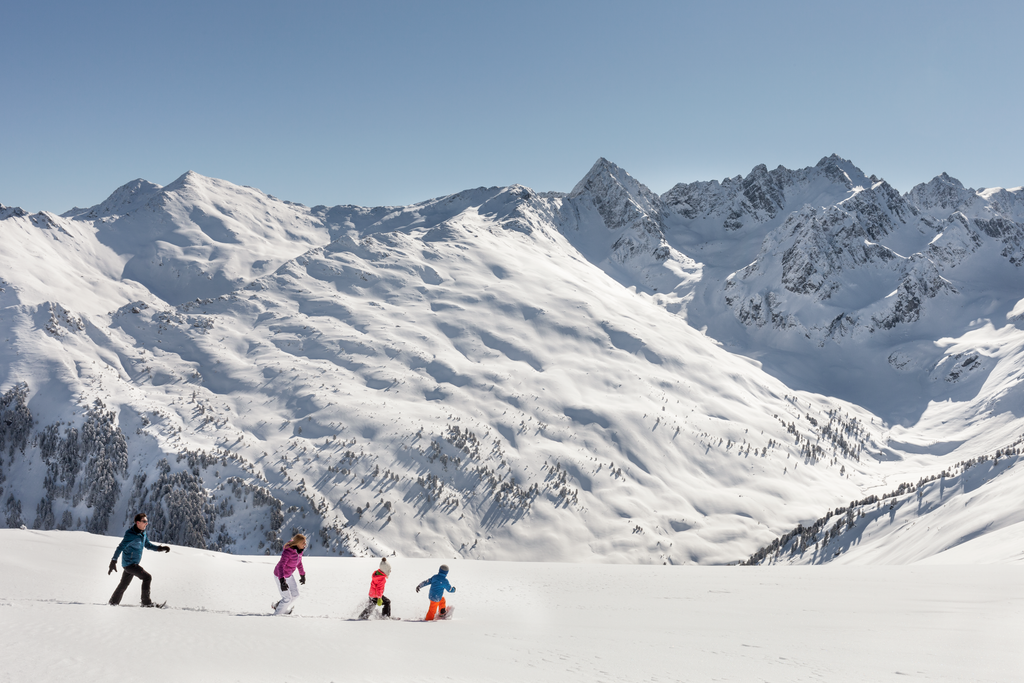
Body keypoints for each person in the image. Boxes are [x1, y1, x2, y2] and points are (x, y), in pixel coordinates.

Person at [107, 513, 170, 607]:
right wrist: (113, 561)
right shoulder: (130, 534)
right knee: (147, 577)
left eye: (147, 521)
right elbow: (120, 547)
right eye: (144, 521)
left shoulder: (142, 533)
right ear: (138, 522)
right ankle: (146, 602)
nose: (146, 523)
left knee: (123, 584)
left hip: (132, 564)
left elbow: (148, 545)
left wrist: (160, 548)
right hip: (129, 564)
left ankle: (113, 603)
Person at [272, 534, 307, 616]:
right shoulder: (288, 552)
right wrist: (282, 581)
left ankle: (279, 606)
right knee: (287, 599)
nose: (305, 544)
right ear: (297, 543)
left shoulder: (299, 551)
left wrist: (302, 575)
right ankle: (275, 617)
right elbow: (281, 566)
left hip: (289, 575)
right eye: (303, 543)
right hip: (280, 575)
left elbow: (299, 563)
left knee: (295, 595)